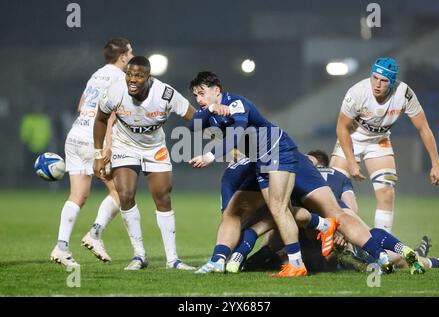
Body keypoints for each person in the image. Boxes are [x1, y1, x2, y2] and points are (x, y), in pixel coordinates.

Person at [187, 72, 395, 277]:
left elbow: (236, 134)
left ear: (217, 90)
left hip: (279, 152)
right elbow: (192, 124)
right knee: (279, 210)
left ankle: (305, 260)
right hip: (265, 159)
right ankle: (325, 226)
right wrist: (211, 107)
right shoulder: (213, 111)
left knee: (287, 210)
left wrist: (209, 156)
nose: (199, 99)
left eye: (202, 93)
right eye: (195, 96)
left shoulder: (235, 104)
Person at [230, 150, 425, 275]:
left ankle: (252, 258)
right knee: (360, 237)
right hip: (334, 226)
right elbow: (351, 210)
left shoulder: (297, 172)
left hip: (311, 230)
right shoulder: (338, 176)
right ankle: (409, 254)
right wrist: (343, 232)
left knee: (278, 221)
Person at [93, 56, 196, 270]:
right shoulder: (115, 90)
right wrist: (98, 154)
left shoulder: (165, 94)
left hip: (155, 148)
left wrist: (224, 142)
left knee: (163, 197)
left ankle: (173, 260)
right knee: (125, 194)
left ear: (148, 77)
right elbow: (101, 119)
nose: (132, 79)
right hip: (124, 146)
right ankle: (139, 255)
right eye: (129, 74)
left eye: (138, 76)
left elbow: (195, 117)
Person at [330, 57, 439, 233]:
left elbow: (423, 128)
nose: (377, 84)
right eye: (374, 77)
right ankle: (333, 245)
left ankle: (383, 251)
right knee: (332, 191)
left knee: (387, 194)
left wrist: (436, 164)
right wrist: (352, 162)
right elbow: (341, 128)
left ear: (392, 82)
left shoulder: (404, 94)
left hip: (379, 141)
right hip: (351, 139)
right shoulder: (357, 93)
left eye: (383, 80)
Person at [50, 38, 133, 268]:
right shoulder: (120, 79)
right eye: (130, 52)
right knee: (121, 192)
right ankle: (95, 234)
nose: (132, 56)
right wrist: (105, 147)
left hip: (75, 135)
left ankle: (62, 246)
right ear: (123, 56)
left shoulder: (97, 75)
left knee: (77, 196)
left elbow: (81, 106)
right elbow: (111, 114)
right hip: (93, 140)